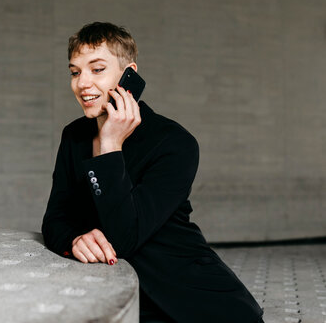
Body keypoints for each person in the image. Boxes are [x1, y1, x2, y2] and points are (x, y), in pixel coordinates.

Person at [41, 22, 265, 323]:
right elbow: (54, 218)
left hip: (195, 301)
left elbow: (124, 238)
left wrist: (110, 144)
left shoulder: (175, 143)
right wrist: (74, 239)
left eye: (97, 69)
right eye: (75, 72)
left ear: (128, 73)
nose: (82, 83)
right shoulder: (74, 136)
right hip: (115, 296)